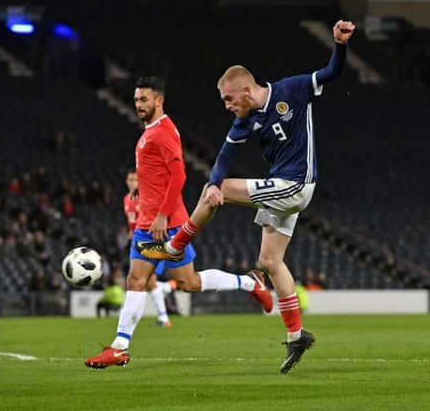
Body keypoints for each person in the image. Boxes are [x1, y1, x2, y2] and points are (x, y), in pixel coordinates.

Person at [137, 20, 356, 373]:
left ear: (246, 90)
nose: (225, 106)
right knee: (269, 262)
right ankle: (296, 335)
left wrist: (340, 44)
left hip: (298, 183)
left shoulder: (293, 90)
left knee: (221, 190)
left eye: (228, 98)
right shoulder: (246, 119)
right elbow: (224, 156)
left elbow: (333, 72)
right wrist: (211, 183)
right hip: (280, 188)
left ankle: (176, 246)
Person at [85, 76, 272, 369]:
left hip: (165, 222)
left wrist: (161, 214)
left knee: (187, 283)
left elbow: (179, 176)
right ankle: (120, 347)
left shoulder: (164, 131)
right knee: (147, 280)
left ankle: (248, 282)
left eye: (144, 100)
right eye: (136, 100)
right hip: (149, 223)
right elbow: (156, 175)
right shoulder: (149, 132)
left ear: (159, 100)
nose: (138, 105)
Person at [123, 167, 175, 327]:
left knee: (148, 280)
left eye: (135, 180)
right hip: (137, 242)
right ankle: (167, 289)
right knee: (148, 282)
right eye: (130, 180)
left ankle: (163, 317)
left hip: (153, 240)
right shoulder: (127, 199)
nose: (132, 183)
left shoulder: (147, 197)